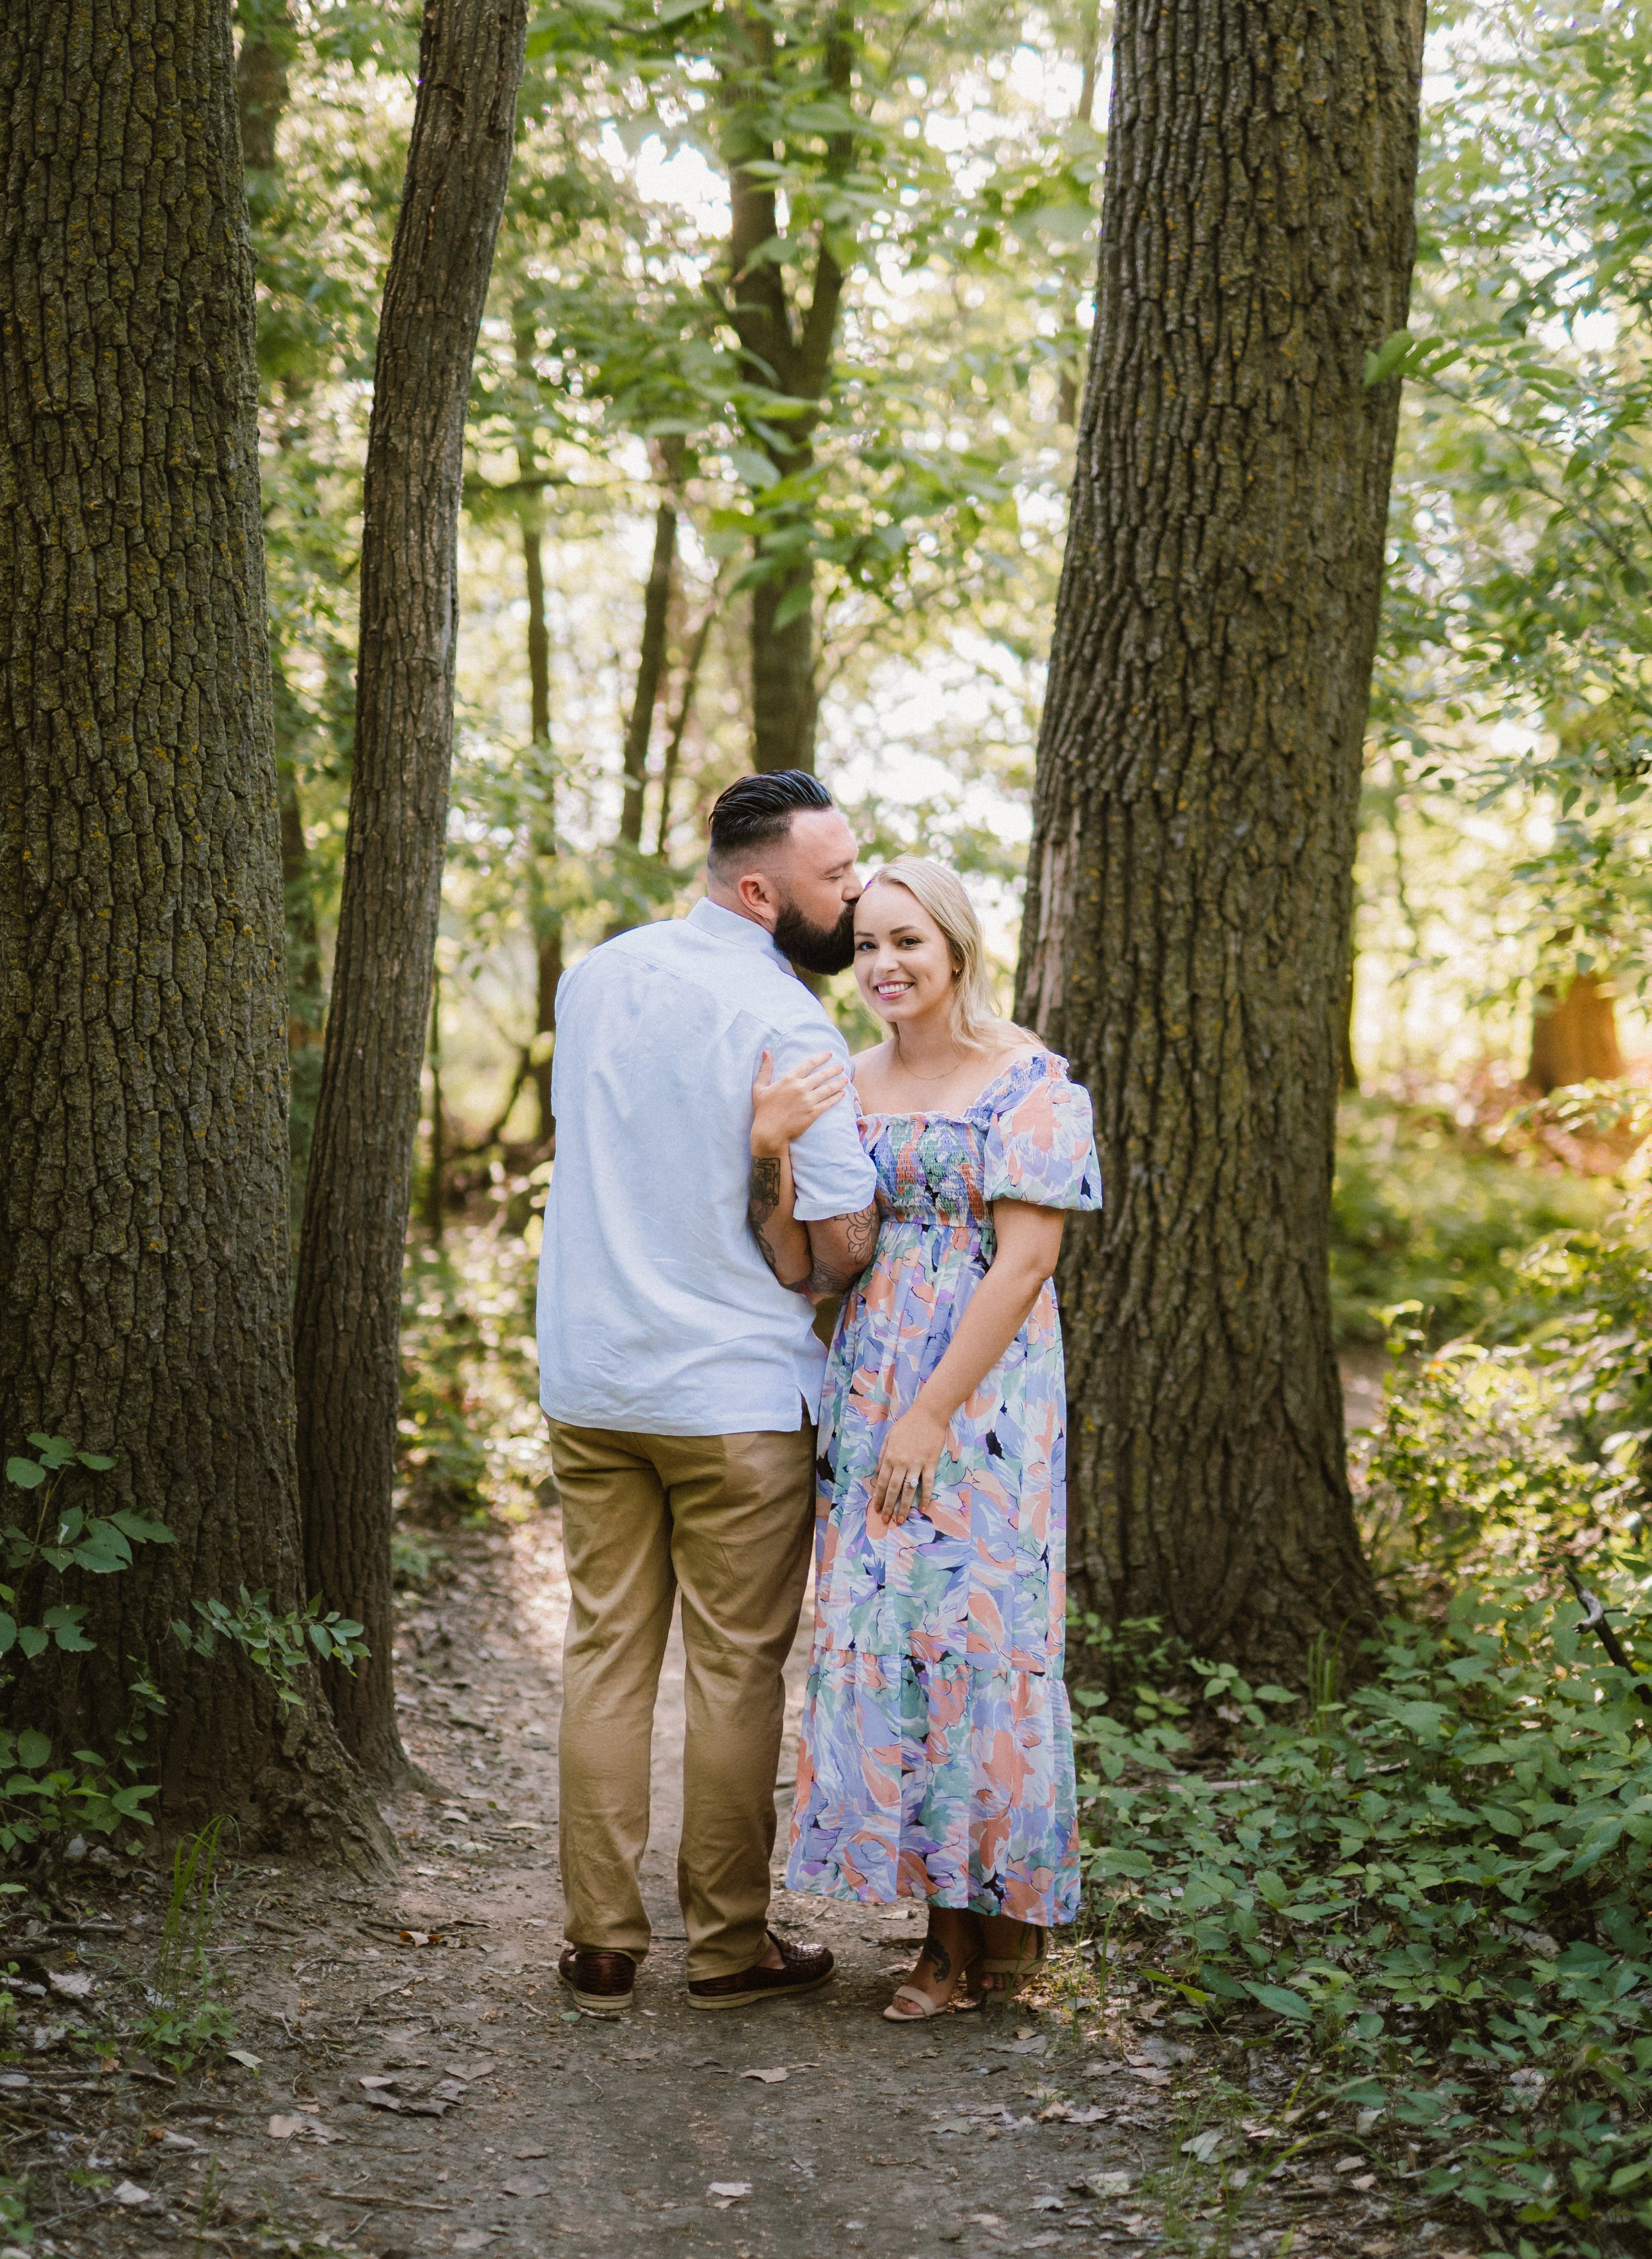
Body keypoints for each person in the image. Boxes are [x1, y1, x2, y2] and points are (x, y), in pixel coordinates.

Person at [537, 771, 880, 2017]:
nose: (853, 897)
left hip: (594, 1372)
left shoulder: (598, 978)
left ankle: (601, 1947)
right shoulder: (789, 1024)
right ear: (760, 889)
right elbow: (842, 1242)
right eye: (834, 880)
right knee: (737, 1672)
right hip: (734, 1391)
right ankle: (730, 1952)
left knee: (606, 1655)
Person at [748, 856, 1102, 2017]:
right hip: (869, 1381)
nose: (885, 965)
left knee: (976, 1641)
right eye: (865, 948)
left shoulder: (1030, 1082)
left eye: (908, 942)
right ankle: (943, 1922)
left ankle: (974, 1940)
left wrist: (932, 1411)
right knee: (892, 1634)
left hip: (980, 1399)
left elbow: (1030, 1259)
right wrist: (776, 1151)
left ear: (955, 948)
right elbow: (815, 1254)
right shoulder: (845, 1084)